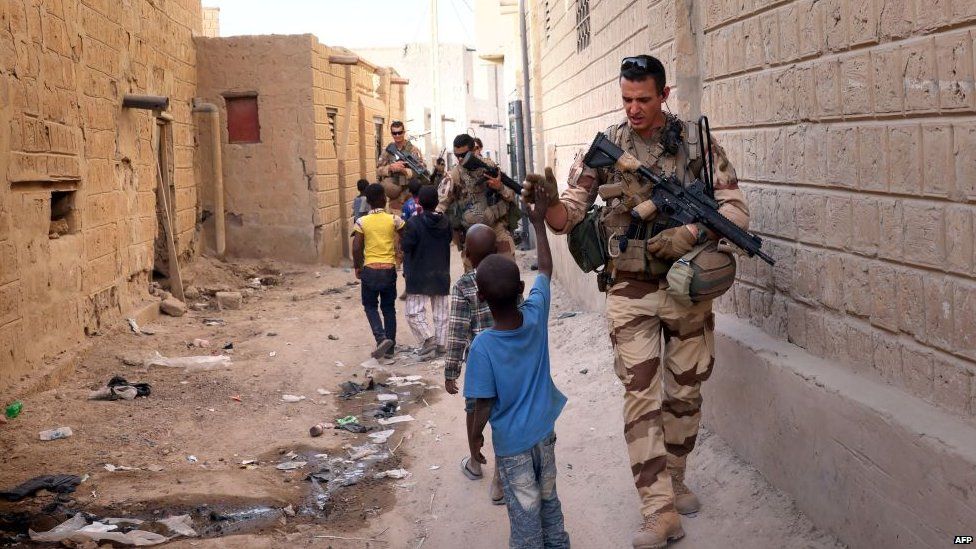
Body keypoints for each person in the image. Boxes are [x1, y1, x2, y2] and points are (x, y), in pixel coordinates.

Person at [522, 54, 750, 548]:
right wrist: (549, 207)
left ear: (664, 96)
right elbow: (569, 217)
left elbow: (734, 209)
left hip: (687, 287)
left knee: (684, 393)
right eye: (626, 99)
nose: (633, 109)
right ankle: (659, 510)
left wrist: (691, 230)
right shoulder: (607, 145)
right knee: (641, 396)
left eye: (643, 99)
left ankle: (674, 476)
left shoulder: (695, 143)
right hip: (629, 286)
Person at [465, 182, 569, 549]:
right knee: (549, 503)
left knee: (524, 518)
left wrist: (474, 437)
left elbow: (481, 404)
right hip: (544, 433)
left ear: (480, 297)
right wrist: (539, 224)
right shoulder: (536, 315)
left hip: (511, 447)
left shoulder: (483, 347)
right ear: (521, 288)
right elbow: (546, 267)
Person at [436, 133, 517, 271]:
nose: (460, 159)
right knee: (473, 281)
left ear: (474, 150)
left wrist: (500, 187)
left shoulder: (489, 166)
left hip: (496, 226)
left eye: (464, 155)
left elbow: (511, 196)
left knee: (508, 272)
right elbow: (441, 205)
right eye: (457, 156)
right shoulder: (453, 175)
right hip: (472, 232)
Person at [352, 183, 406, 359]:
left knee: (370, 306)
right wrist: (401, 254)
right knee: (388, 308)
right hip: (389, 269)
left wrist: (358, 267)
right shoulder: (394, 220)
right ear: (384, 199)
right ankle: (389, 348)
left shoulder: (362, 222)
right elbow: (407, 236)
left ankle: (380, 337)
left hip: (370, 269)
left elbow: (357, 247)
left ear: (367, 202)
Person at [401, 186, 452, 357]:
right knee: (441, 313)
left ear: (419, 203)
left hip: (419, 274)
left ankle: (427, 338)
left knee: (413, 312)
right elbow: (449, 239)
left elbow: (406, 246)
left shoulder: (414, 223)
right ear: (437, 202)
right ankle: (441, 346)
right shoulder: (446, 222)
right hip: (441, 273)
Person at [376, 120, 426, 213]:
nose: (397, 135)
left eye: (400, 132)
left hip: (410, 194)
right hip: (394, 196)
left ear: (404, 132)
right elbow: (378, 170)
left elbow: (422, 171)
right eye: (395, 133)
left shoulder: (413, 150)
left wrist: (404, 170)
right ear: (392, 134)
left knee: (412, 223)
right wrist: (390, 168)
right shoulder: (388, 151)